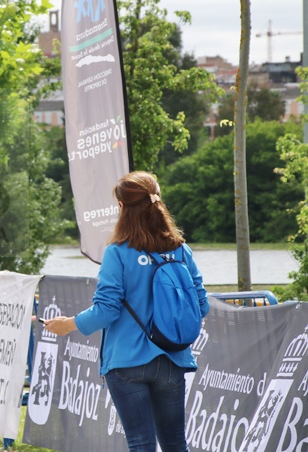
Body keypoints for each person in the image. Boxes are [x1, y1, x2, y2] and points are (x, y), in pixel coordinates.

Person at [44, 171, 210, 452]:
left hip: (126, 362)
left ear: (121, 207)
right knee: (175, 444)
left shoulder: (118, 252)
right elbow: (201, 305)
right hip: (172, 359)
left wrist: (68, 324)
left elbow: (107, 310)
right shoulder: (181, 250)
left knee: (141, 444)